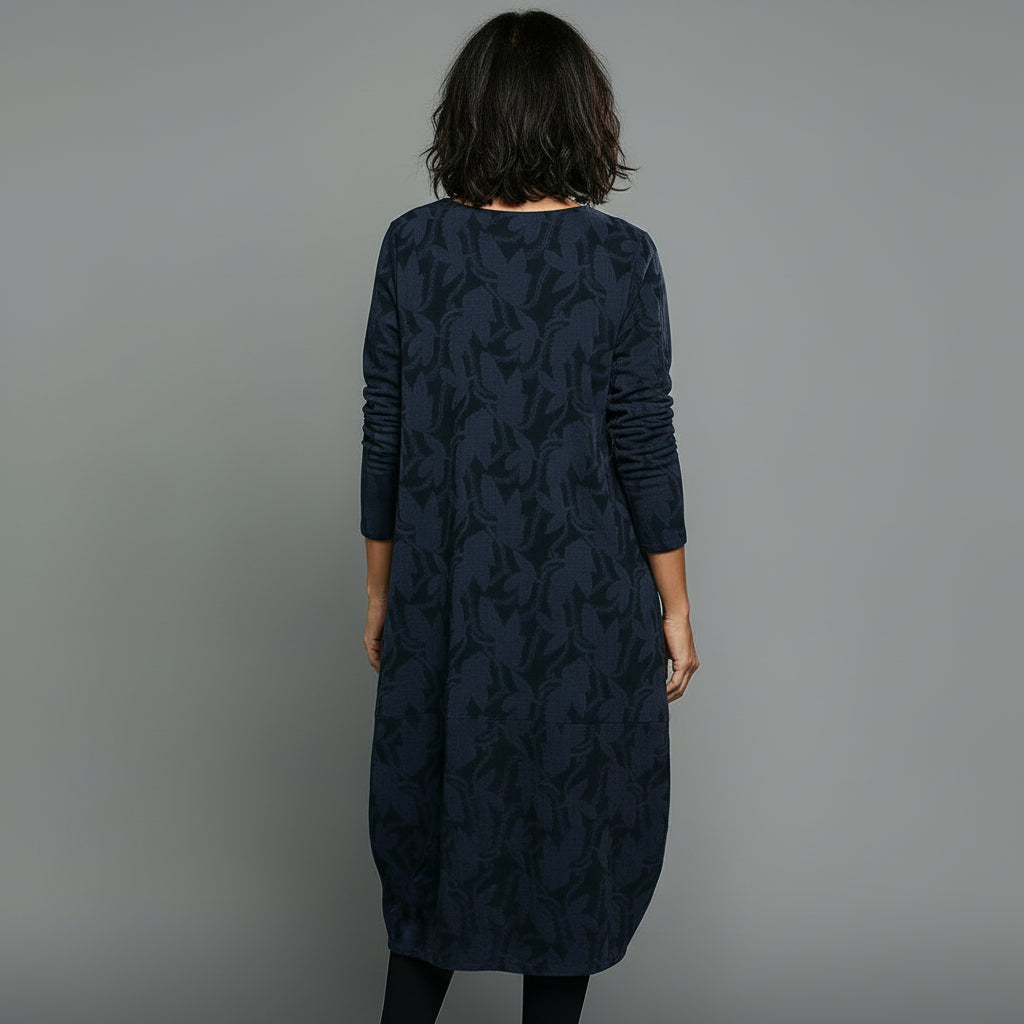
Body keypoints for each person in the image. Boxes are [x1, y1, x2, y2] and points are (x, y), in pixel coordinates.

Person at [359, 10, 699, 1023]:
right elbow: (642, 438)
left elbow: (386, 429)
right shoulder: (621, 258)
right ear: (582, 115)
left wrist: (379, 592)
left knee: (432, 846)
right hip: (584, 609)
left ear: (466, 114)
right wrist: (676, 607)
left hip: (446, 601)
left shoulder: (412, 247)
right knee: (572, 849)